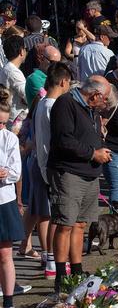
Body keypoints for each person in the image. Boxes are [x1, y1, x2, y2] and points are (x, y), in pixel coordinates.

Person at [48, 76, 113, 293]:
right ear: (94, 95)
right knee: (65, 224)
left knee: (80, 225)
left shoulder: (91, 109)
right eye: (103, 99)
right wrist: (93, 153)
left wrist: (101, 149)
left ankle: (76, 271)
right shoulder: (66, 104)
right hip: (69, 173)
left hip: (89, 174)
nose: (104, 103)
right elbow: (64, 139)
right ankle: (60, 275)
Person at [33, 62, 72, 280]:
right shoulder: (51, 105)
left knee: (49, 214)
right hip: (51, 164)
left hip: (43, 161)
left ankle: (50, 259)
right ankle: (53, 261)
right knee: (58, 216)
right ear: (63, 81)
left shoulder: (42, 103)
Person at [0, 86, 30, 308]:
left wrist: (5, 174)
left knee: (5, 253)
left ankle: (9, 300)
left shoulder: (9, 138)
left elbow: (16, 172)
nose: (1, 127)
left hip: (4, 200)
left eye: (3, 123)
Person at [0, 35, 28, 131]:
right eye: (25, 49)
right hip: (15, 122)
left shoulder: (8, 68)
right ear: (21, 51)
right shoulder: (12, 71)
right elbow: (27, 95)